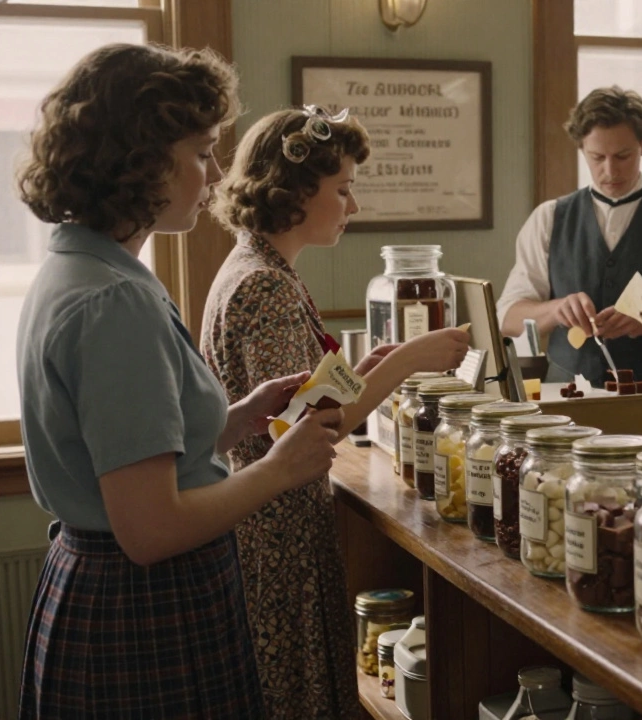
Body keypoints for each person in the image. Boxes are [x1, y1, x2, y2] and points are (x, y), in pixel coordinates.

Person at [15, 44, 344, 718]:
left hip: (103, 587)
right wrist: (280, 469)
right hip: (143, 606)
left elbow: (125, 450)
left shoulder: (82, 268)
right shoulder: (114, 301)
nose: (217, 174)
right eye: (200, 152)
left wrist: (237, 419)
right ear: (139, 159)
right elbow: (152, 527)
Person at [201, 107, 469, 719]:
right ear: (293, 192)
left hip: (278, 521)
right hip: (277, 532)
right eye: (343, 189)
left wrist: (368, 367)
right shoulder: (264, 284)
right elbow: (310, 428)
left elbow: (299, 397)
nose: (353, 207)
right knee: (295, 696)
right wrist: (412, 361)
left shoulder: (262, 268)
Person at [497, 86, 642, 447]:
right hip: (565, 406)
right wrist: (555, 309)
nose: (609, 170)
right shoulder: (549, 219)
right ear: (582, 149)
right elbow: (508, 317)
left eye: (623, 156)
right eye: (596, 157)